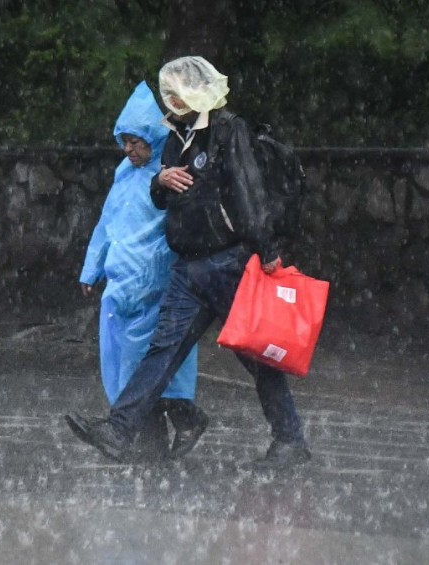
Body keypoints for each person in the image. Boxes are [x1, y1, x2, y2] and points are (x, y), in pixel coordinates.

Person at [65, 56, 311, 471]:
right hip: (188, 269)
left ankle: (289, 439)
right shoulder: (174, 137)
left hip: (228, 264)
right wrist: (160, 182)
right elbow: (163, 198)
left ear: (196, 91)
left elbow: (249, 191)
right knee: (162, 350)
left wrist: (266, 250)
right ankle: (120, 429)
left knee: (257, 359)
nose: (169, 100)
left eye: (175, 92)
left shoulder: (229, 131)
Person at [79, 81, 204, 458]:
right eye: (124, 141)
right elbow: (108, 222)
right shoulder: (123, 175)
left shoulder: (170, 174)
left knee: (148, 368)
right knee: (125, 363)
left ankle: (149, 437)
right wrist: (92, 268)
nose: (128, 148)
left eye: (135, 141)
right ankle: (149, 446)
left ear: (152, 136)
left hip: (155, 286)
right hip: (121, 286)